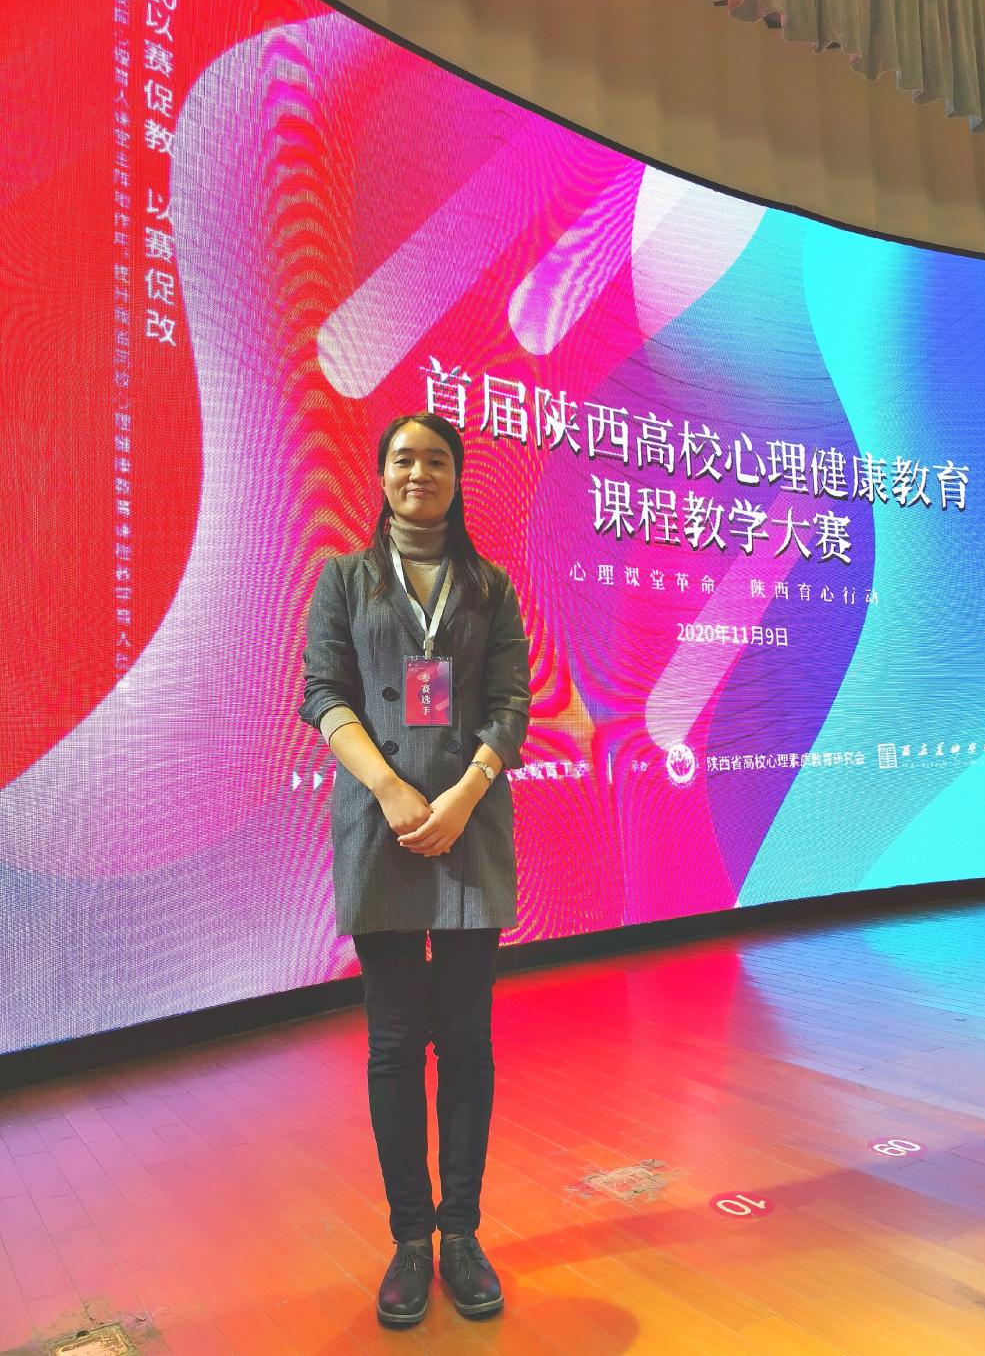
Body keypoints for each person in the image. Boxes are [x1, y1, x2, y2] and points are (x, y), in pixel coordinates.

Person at [298, 412, 531, 1327]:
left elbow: (511, 702)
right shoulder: (343, 577)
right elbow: (324, 692)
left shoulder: (490, 584)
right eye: (403, 458)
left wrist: (465, 793)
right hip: (380, 824)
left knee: (466, 1041)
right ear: (382, 474)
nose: (418, 472)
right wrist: (392, 789)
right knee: (395, 1044)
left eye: (436, 459)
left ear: (458, 477)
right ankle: (409, 1239)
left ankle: (461, 1232)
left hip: (470, 825)